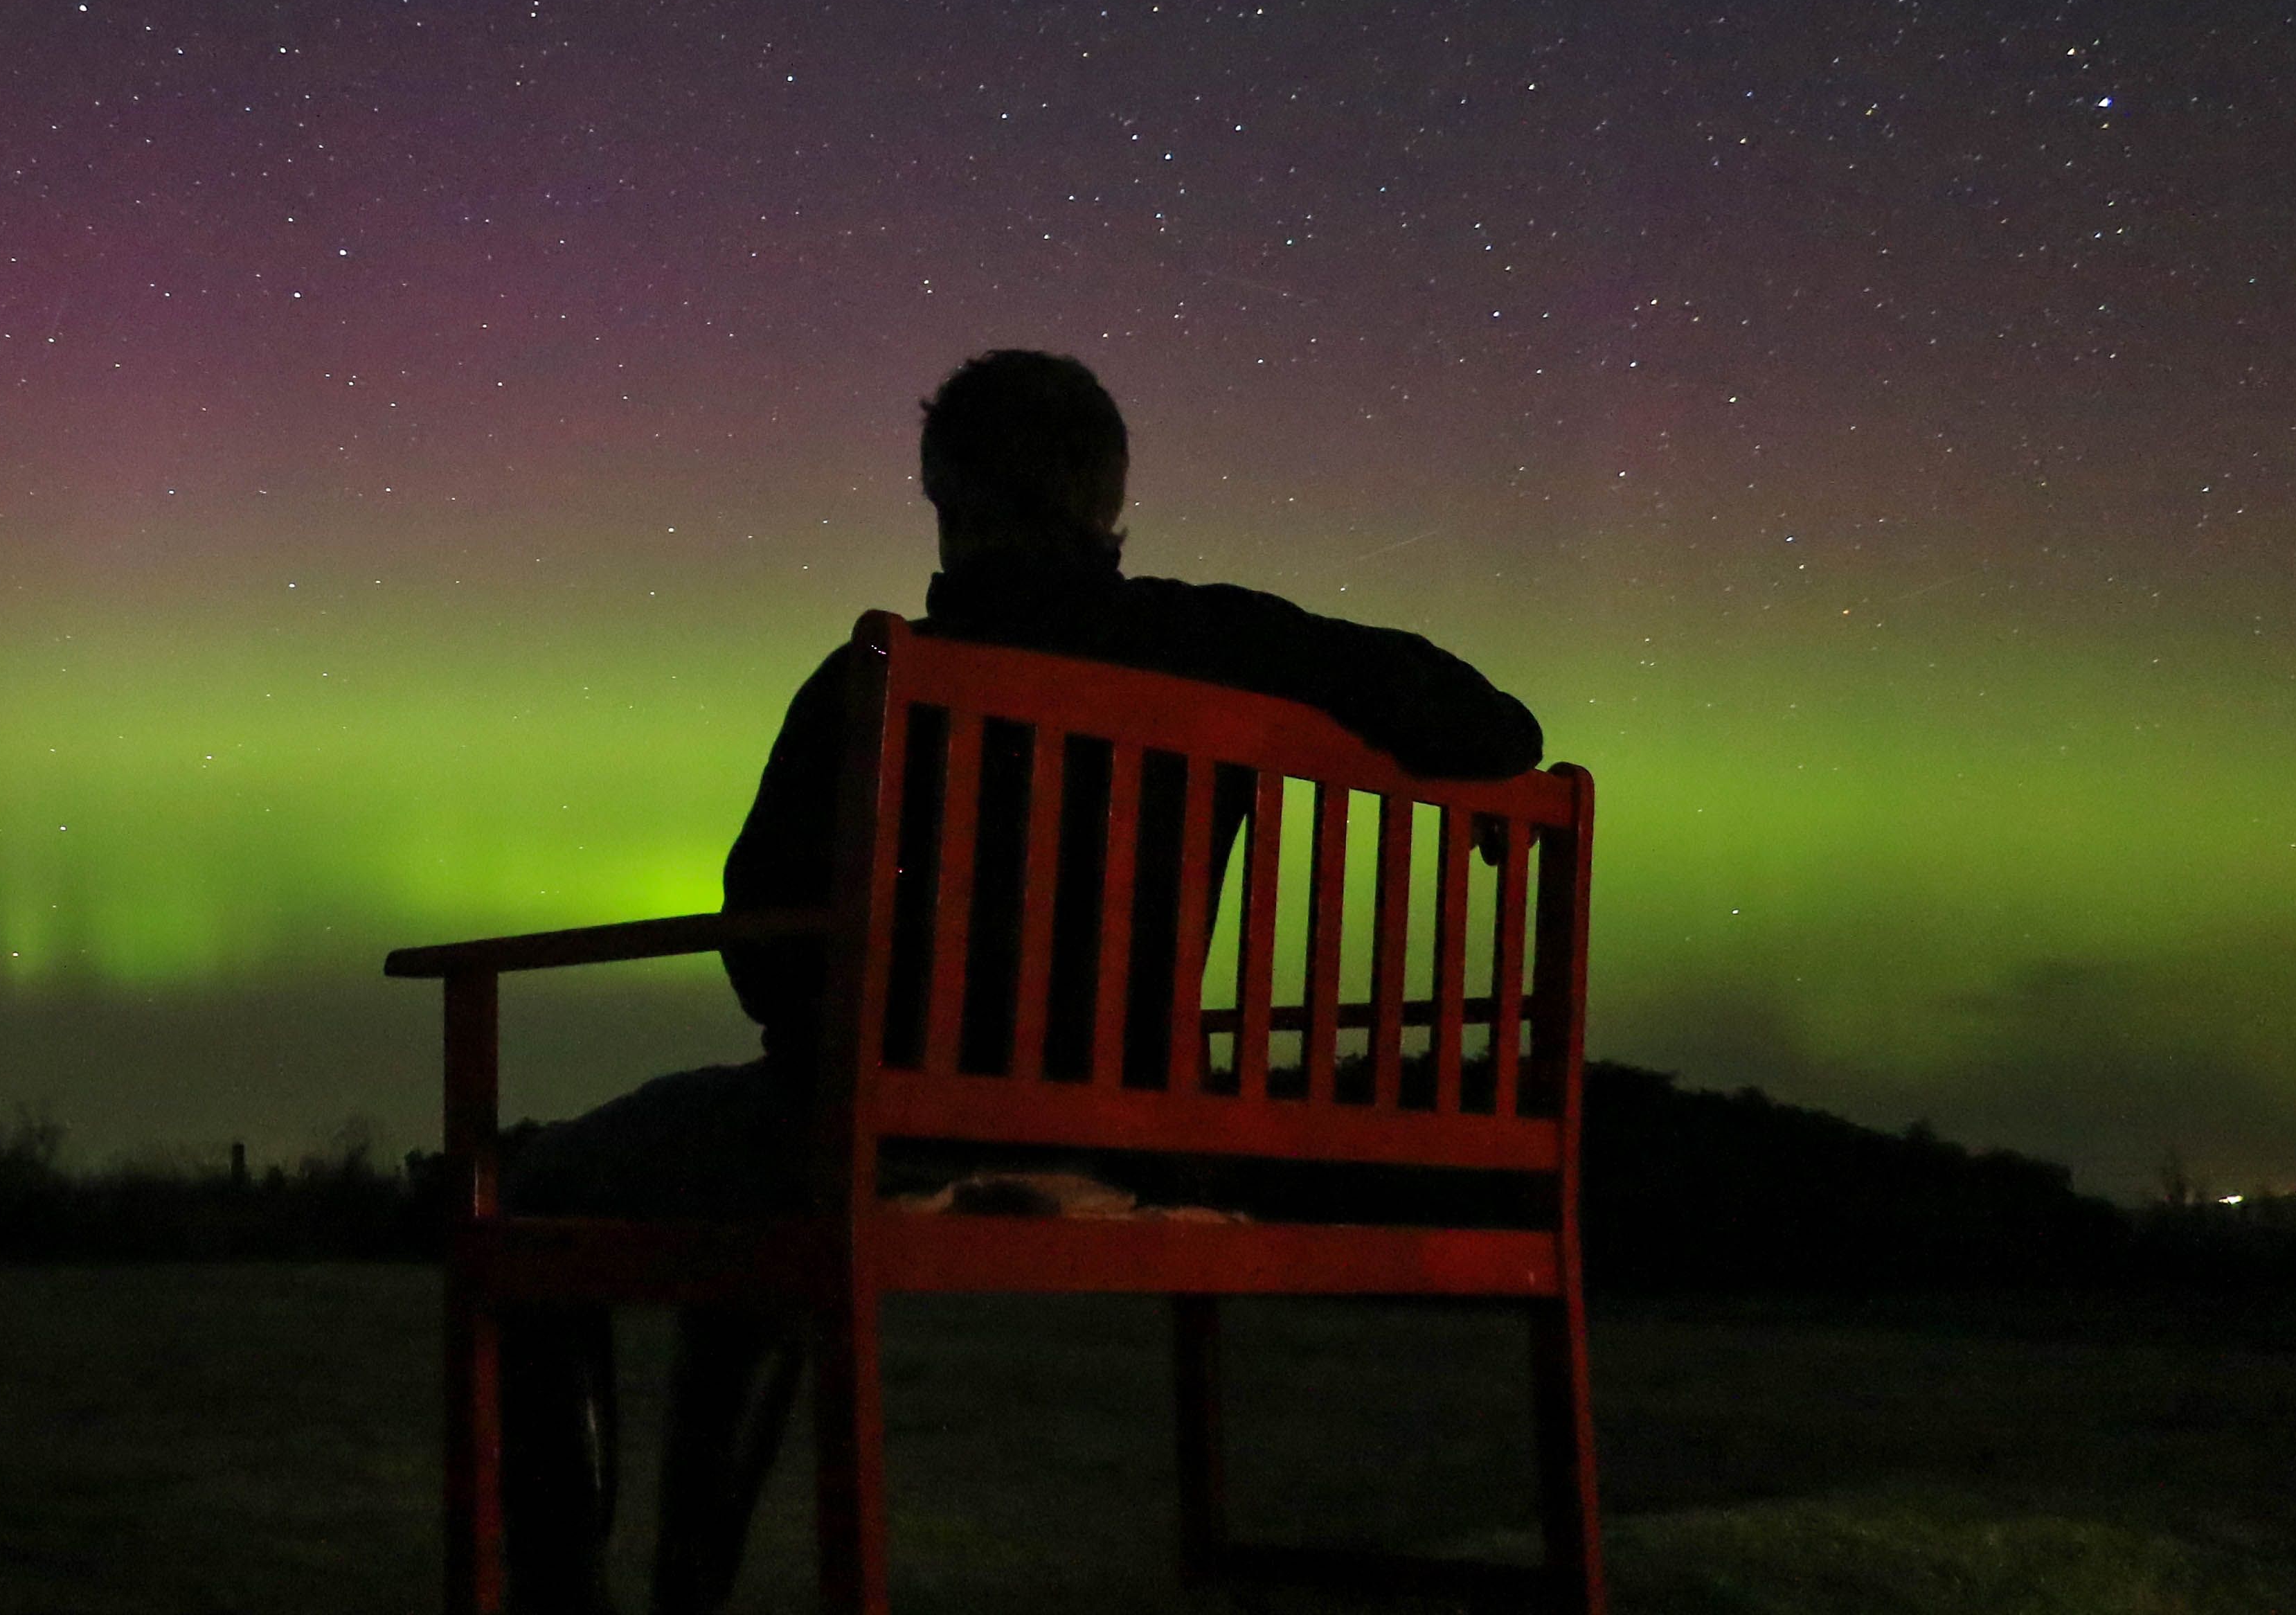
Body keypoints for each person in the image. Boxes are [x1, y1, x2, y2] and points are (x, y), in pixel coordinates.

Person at [498, 349, 1544, 1615]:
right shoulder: (1220, 642)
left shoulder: (866, 683)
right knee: (770, 1171)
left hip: (880, 1135)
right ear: (1110, 498)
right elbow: (1490, 719)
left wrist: (842, 1039)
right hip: (1145, 1145)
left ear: (940, 491)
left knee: (534, 1188)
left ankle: (585, 1596)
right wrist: (1489, 788)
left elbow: (764, 946)